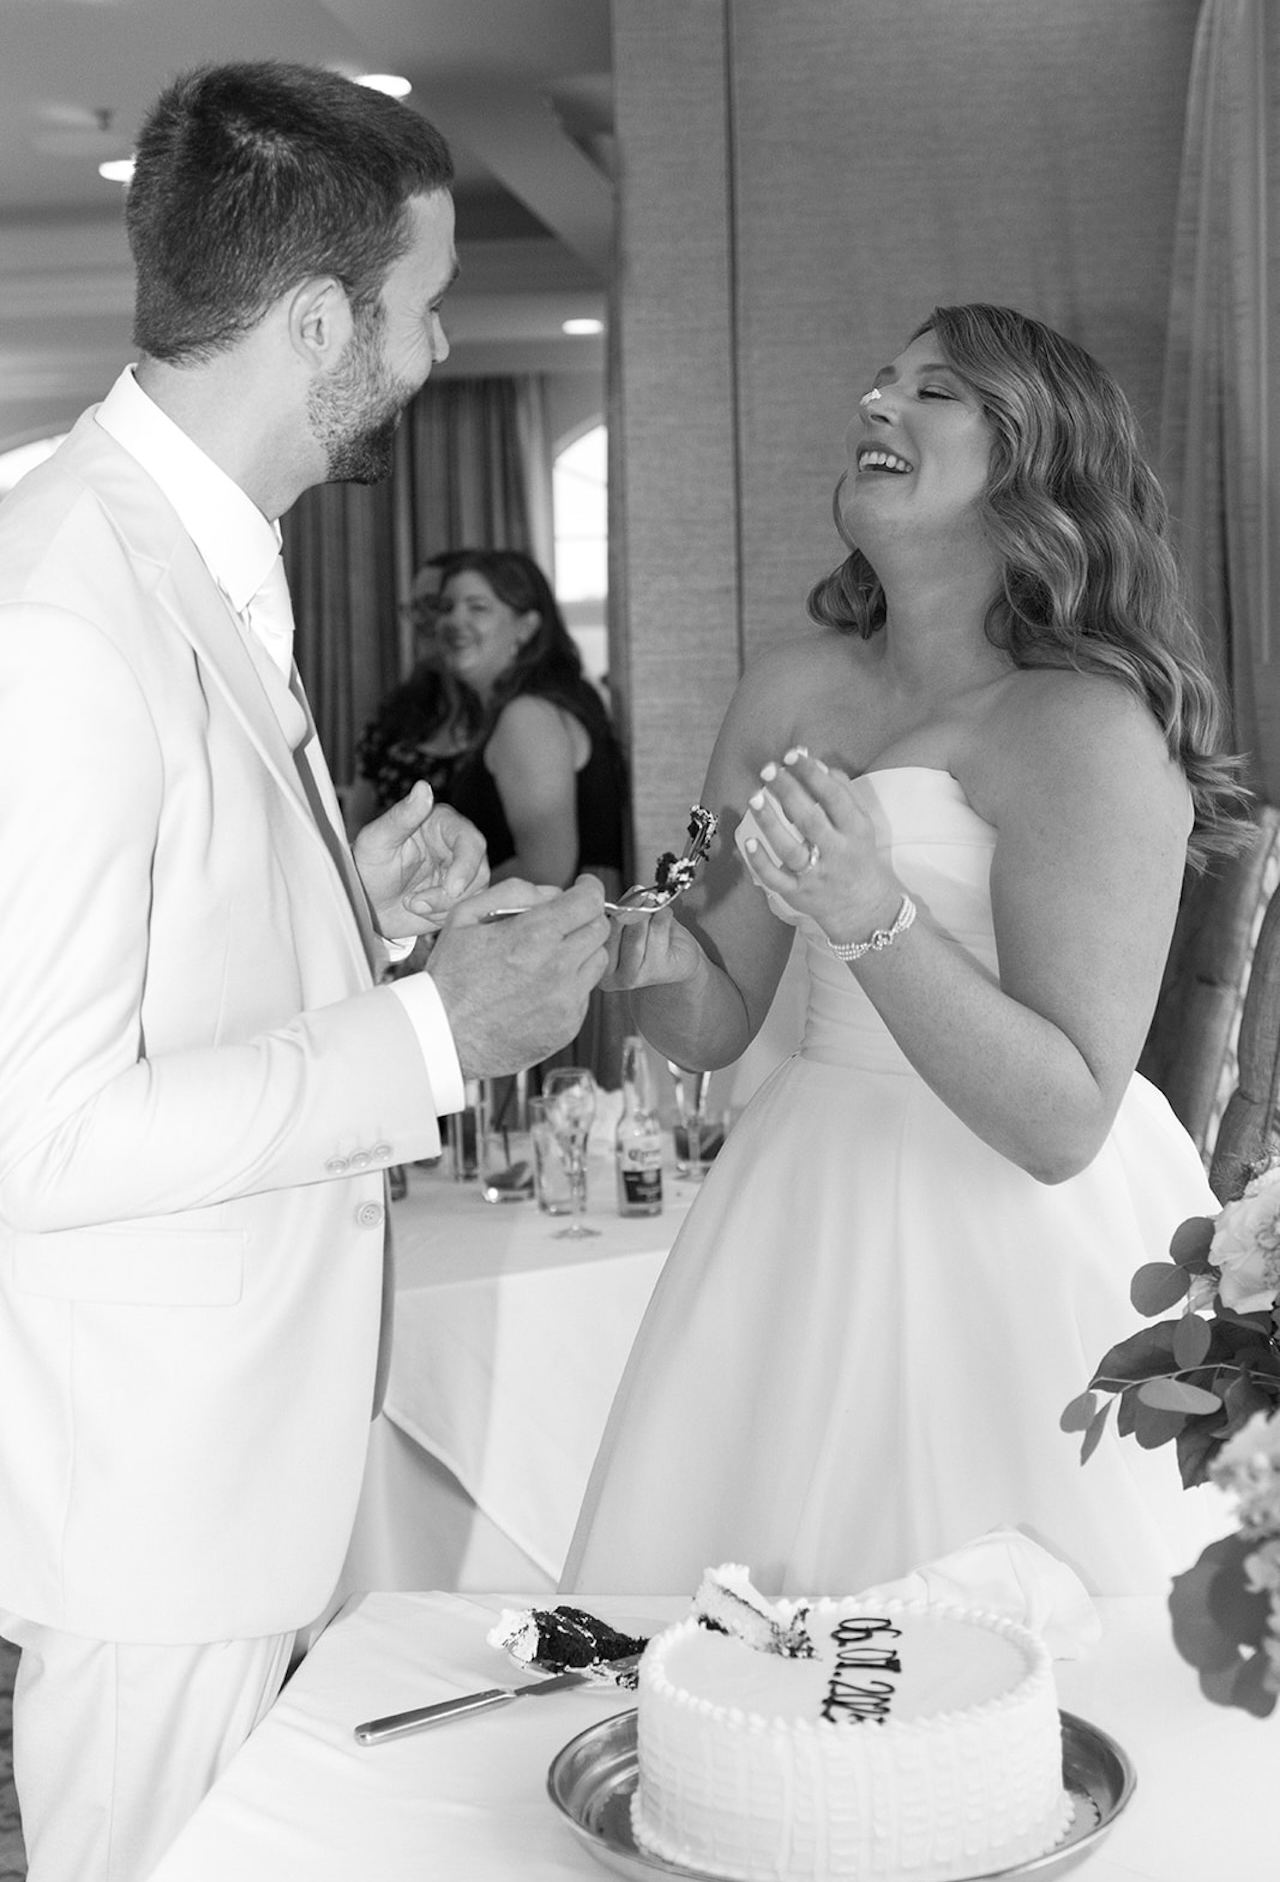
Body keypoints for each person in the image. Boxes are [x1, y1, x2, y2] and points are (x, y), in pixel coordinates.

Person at [0, 61, 610, 1882]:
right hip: (152, 1486)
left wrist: (356, 911)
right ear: (320, 322)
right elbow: (38, 1132)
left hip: (234, 1451)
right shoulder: (61, 606)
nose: (436, 351)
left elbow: (167, 966)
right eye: (423, 307)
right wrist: (435, 1034)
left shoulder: (187, 550)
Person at [562, 303, 1252, 1605]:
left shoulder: (1085, 726)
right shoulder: (790, 689)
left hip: (1009, 1244)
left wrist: (869, 916)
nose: (875, 403)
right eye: (881, 381)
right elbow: (714, 1020)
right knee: (728, 1631)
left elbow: (1061, 1121)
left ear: (1034, 463)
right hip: (797, 1205)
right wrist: (635, 956)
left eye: (933, 392)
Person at [433, 547, 630, 1083]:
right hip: (562, 943)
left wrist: (443, 916)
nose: (454, 621)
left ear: (526, 626)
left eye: (478, 607)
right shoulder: (533, 707)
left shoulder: (527, 716)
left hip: (554, 950)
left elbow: (547, 868)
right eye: (447, 607)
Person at [348, 553, 475, 827]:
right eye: (413, 608)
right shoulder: (394, 715)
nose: (418, 620)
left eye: (433, 605)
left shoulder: (512, 719)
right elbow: (356, 825)